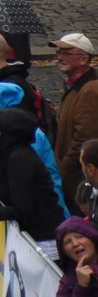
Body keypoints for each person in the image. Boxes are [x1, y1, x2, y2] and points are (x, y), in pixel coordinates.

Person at [0, 108, 66, 242]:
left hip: (42, 238)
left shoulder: (19, 158)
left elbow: (23, 208)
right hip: (35, 233)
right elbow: (11, 196)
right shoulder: (13, 153)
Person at [55, 33, 98, 214]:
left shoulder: (90, 89)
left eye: (67, 53)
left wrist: (63, 171)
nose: (60, 57)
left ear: (83, 59)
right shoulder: (75, 85)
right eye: (59, 52)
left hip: (78, 182)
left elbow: (84, 137)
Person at [55, 217, 98, 297]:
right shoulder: (69, 280)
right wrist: (82, 287)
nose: (75, 244)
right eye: (68, 242)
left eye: (79, 237)